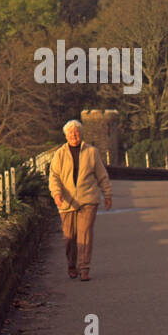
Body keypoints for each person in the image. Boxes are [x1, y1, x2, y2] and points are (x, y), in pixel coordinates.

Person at [48, 119, 112, 281]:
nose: (74, 135)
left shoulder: (91, 152)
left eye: (76, 133)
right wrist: (56, 194)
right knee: (69, 236)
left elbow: (102, 175)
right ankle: (72, 265)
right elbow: (54, 177)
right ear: (66, 136)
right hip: (66, 201)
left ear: (81, 134)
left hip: (88, 198)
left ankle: (84, 268)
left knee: (84, 234)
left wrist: (107, 194)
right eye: (70, 133)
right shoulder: (60, 154)